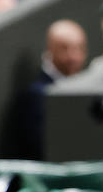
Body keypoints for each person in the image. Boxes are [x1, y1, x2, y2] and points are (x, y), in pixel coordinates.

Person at [7, 19, 88, 160]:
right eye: (65, 48)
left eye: (79, 48)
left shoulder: (86, 84)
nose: (74, 57)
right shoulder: (35, 95)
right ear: (51, 49)